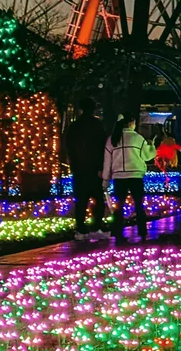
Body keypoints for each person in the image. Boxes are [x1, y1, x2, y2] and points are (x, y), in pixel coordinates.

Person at [103, 112, 155, 243]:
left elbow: (107, 162)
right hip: (135, 176)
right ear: (132, 124)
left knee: (119, 206)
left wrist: (105, 180)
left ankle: (118, 233)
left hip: (119, 177)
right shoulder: (137, 138)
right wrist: (152, 146)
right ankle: (142, 233)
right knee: (139, 205)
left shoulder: (112, 139)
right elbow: (148, 156)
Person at [64, 97, 109, 241]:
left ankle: (81, 229)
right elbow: (103, 147)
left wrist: (73, 164)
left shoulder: (74, 126)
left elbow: (69, 147)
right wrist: (103, 167)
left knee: (81, 201)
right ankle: (96, 227)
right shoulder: (98, 125)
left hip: (79, 169)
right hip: (95, 169)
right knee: (98, 200)